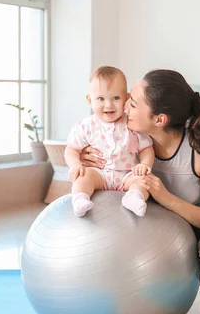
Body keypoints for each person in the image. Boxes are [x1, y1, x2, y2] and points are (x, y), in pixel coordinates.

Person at [79, 69, 200, 314]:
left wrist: (165, 197)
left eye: (134, 103)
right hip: (159, 229)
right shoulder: (125, 135)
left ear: (159, 119)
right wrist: (84, 158)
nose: (124, 105)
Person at [64, 66, 155, 217]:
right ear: (89, 99)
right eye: (100, 99)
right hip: (99, 174)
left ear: (126, 98)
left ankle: (134, 197)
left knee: (143, 181)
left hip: (127, 174)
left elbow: (147, 148)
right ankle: (80, 199)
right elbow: (72, 149)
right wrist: (75, 164)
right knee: (82, 177)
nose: (108, 105)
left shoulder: (131, 124)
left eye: (116, 98)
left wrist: (145, 164)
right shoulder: (86, 126)